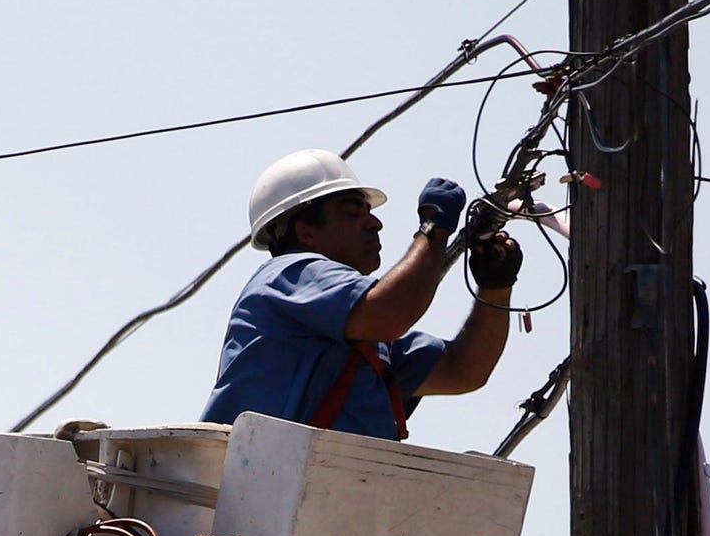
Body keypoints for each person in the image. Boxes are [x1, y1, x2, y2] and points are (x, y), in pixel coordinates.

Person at [201, 149, 522, 441]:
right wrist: (432, 231)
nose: (375, 223)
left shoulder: (363, 338)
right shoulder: (289, 275)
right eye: (353, 213)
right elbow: (389, 312)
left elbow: (464, 370)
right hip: (260, 485)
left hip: (315, 490)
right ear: (305, 231)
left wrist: (495, 286)